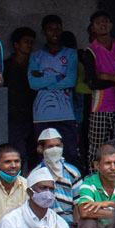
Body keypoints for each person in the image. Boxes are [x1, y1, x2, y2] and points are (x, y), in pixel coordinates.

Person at [27, 14, 81, 165]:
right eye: (50, 29)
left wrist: (44, 78)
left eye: (57, 29)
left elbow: (70, 81)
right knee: (43, 156)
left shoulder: (70, 54)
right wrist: (58, 77)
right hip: (42, 115)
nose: (54, 32)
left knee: (70, 154)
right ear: (44, 32)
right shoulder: (36, 56)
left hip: (65, 114)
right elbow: (33, 83)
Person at [82, 9, 115, 158]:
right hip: (100, 107)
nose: (102, 25)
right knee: (97, 148)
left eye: (105, 22)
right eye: (98, 22)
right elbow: (93, 82)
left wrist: (106, 76)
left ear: (111, 25)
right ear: (93, 27)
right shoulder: (90, 51)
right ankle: (95, 172)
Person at [33, 126, 84, 219]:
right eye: (50, 146)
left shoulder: (73, 172)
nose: (55, 149)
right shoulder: (36, 174)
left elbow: (77, 204)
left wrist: (76, 226)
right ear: (40, 149)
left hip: (69, 222)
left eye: (58, 146)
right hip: (44, 221)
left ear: (62, 146)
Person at [4, 24, 38, 156]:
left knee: (34, 153)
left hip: (33, 115)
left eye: (31, 42)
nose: (29, 45)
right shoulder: (6, 67)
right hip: (14, 117)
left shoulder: (35, 66)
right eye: (26, 42)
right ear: (16, 44)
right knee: (18, 152)